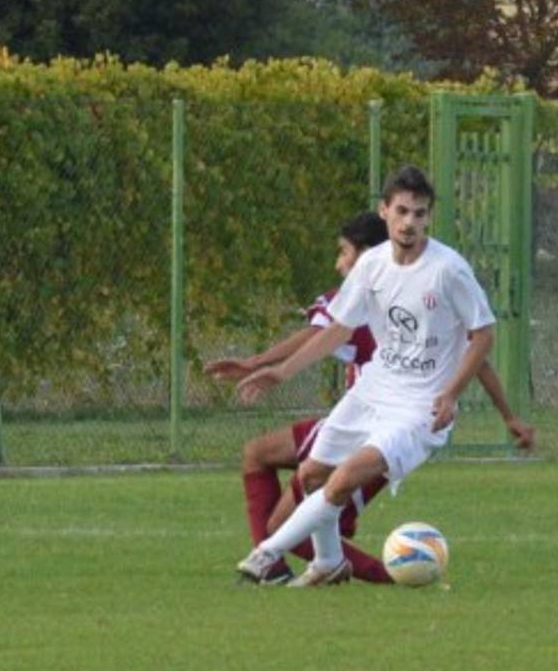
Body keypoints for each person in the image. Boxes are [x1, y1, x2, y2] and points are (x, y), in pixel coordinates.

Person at [211, 205, 534, 585]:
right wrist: (264, 367)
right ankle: (305, 563)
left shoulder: (429, 282)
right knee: (273, 463)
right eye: (401, 212)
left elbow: (477, 350)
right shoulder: (364, 290)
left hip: (393, 424)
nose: (339, 263)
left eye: (344, 252)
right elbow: (330, 331)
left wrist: (260, 364)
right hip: (360, 413)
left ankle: (293, 561)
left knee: (287, 513)